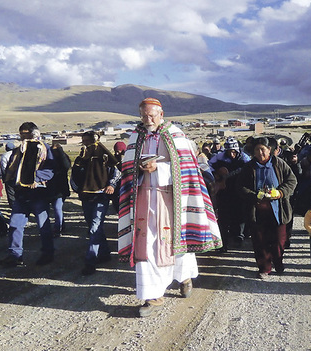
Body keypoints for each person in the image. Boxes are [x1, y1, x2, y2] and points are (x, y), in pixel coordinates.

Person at [118, 98, 222, 317]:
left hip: (172, 200)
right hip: (143, 198)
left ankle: (184, 277)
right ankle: (153, 296)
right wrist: (138, 168)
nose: (148, 120)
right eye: (144, 115)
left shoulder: (176, 135)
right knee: (147, 244)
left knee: (175, 240)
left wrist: (158, 168)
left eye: (152, 115)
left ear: (161, 113)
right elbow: (127, 168)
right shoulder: (135, 136)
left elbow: (187, 169)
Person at [0, 122, 56, 267]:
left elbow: (51, 169)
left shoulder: (44, 149)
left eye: (27, 134)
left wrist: (36, 178)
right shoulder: (18, 152)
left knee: (43, 226)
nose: (24, 137)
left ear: (34, 133)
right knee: (15, 225)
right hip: (21, 195)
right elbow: (12, 169)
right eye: (22, 134)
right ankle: (15, 255)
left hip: (38, 194)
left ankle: (48, 253)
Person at [238, 137, 297, 279]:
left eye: (263, 149)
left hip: (278, 210)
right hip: (257, 211)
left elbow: (292, 180)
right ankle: (264, 267)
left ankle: (278, 261)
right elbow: (240, 187)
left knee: (279, 240)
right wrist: (254, 196)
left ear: (269, 150)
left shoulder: (279, 164)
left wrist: (281, 192)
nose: (260, 153)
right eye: (257, 150)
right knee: (260, 241)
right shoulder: (249, 167)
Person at [71, 131, 120, 275]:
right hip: (86, 197)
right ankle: (104, 254)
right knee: (94, 227)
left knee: (94, 227)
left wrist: (111, 185)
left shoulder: (104, 156)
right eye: (84, 141)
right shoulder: (81, 158)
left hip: (101, 196)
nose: (86, 144)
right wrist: (78, 189)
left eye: (88, 141)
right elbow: (74, 176)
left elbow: (116, 173)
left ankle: (90, 261)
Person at [209, 137, 250, 251]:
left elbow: (250, 169)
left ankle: (238, 237)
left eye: (233, 152)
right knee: (223, 217)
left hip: (239, 191)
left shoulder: (245, 159)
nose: (231, 154)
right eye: (229, 152)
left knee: (239, 215)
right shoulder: (219, 157)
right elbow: (208, 165)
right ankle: (223, 243)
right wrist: (215, 174)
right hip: (224, 191)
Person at [48, 142, 71, 236]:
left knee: (57, 208)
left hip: (60, 189)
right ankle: (62, 225)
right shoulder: (48, 159)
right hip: (50, 188)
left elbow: (66, 166)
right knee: (57, 209)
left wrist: (60, 153)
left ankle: (58, 229)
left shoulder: (63, 159)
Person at [0, 140, 19, 208]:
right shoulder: (17, 154)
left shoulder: (4, 156)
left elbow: (3, 167)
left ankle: (13, 206)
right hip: (18, 176)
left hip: (9, 177)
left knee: (11, 193)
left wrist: (5, 177)